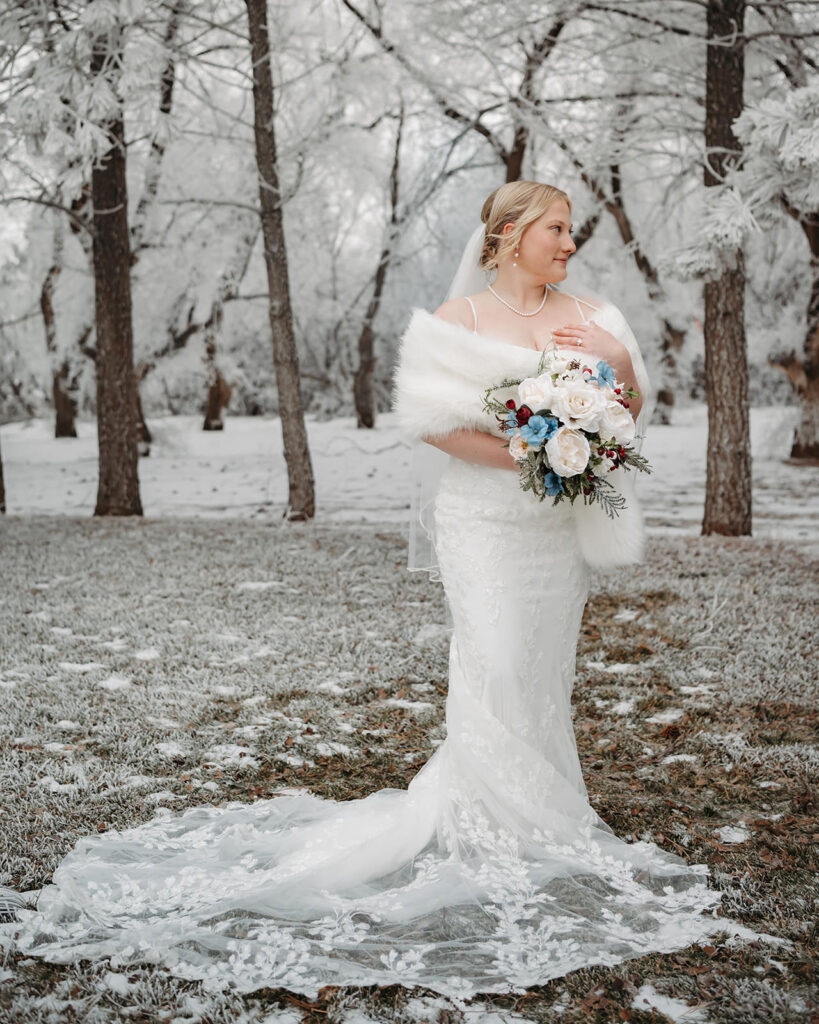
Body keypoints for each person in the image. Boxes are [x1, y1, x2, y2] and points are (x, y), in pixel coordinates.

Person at [0, 182, 720, 1005]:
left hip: (556, 537)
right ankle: (480, 814)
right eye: (556, 229)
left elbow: (626, 410)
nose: (569, 242)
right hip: (483, 524)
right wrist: (533, 449)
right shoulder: (456, 324)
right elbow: (431, 424)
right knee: (494, 657)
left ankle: (541, 815)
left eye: (568, 229)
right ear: (510, 234)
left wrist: (611, 369)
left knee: (543, 668)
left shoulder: (592, 314)